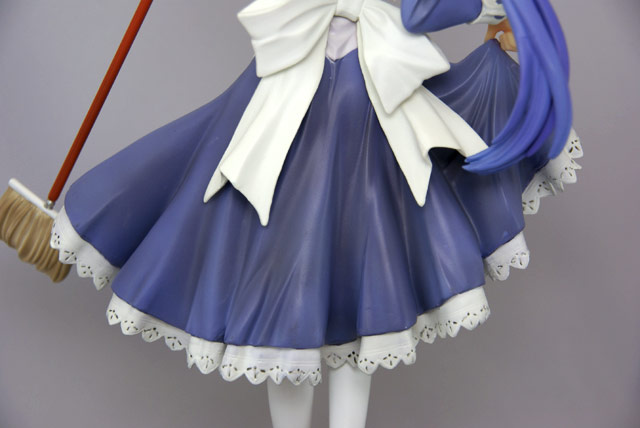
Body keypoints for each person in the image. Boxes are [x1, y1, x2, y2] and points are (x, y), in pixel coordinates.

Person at [49, 0, 581, 426]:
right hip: (327, 93)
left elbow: (418, 9)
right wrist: (496, 7)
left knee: (335, 279)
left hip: (347, 90)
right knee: (340, 279)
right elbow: (422, 8)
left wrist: (492, 9)